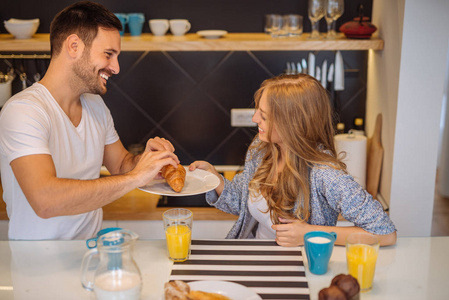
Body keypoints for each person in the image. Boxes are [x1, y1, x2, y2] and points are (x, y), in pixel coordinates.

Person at [0, 1, 179, 240]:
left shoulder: (94, 105)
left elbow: (121, 164)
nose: (115, 67)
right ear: (74, 46)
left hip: (91, 257)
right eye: (108, 54)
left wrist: (145, 161)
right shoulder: (24, 111)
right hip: (39, 269)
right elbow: (45, 201)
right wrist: (136, 177)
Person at [190, 74, 397, 247]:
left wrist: (309, 233)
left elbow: (385, 233)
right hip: (252, 256)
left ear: (291, 123)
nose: (254, 119)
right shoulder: (261, 149)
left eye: (263, 115)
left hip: (300, 269)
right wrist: (214, 178)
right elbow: (242, 204)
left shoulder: (324, 174)